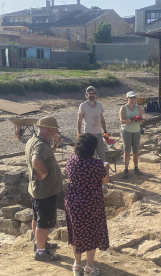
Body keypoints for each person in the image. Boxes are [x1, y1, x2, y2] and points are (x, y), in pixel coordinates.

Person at [65, 134, 110, 276]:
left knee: (76, 232)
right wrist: (106, 168)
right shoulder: (96, 164)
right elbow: (105, 181)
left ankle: (77, 265)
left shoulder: (71, 160)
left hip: (73, 202)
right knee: (92, 233)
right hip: (91, 203)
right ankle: (89, 267)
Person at [25, 116, 62, 261]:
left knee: (37, 217)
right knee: (43, 221)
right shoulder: (40, 145)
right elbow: (36, 160)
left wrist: (54, 146)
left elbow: (44, 154)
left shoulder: (33, 140)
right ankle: (41, 252)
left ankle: (39, 244)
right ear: (47, 130)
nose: (57, 132)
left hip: (36, 189)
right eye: (55, 130)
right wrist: (45, 172)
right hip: (45, 190)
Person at [77, 86, 108, 162]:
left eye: (93, 93)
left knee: (102, 157)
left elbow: (102, 120)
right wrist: (79, 134)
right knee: (90, 157)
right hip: (88, 134)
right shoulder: (83, 106)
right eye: (90, 94)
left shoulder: (99, 105)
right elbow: (79, 121)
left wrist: (105, 131)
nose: (91, 95)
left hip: (98, 133)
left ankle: (104, 173)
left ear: (95, 95)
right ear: (86, 95)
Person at [119, 91, 144, 179]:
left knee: (136, 151)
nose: (132, 100)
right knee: (127, 151)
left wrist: (138, 120)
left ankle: (136, 167)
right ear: (127, 99)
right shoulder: (123, 108)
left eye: (134, 98)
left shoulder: (138, 107)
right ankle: (126, 169)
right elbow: (122, 121)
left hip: (136, 130)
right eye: (131, 98)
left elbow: (141, 120)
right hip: (126, 131)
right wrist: (132, 119)